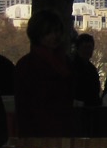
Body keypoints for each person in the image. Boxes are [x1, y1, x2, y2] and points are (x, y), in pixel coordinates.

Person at [14, 10, 73, 138]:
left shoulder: (64, 61)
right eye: (49, 33)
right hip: (38, 132)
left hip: (61, 129)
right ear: (38, 35)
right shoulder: (27, 65)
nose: (55, 36)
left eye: (57, 31)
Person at [70, 31, 101, 107]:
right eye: (85, 47)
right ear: (78, 48)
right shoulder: (73, 66)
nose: (87, 51)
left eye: (89, 48)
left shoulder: (91, 68)